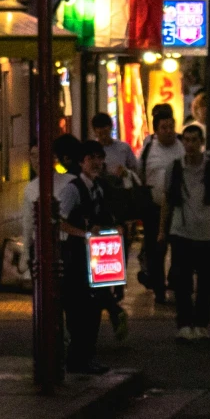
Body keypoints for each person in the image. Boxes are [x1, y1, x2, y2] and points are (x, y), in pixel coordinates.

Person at [47, 137, 111, 374]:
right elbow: (57, 222)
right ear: (81, 162)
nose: (96, 163)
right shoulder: (73, 189)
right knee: (78, 309)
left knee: (94, 308)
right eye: (90, 158)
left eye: (99, 158)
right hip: (75, 258)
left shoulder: (99, 188)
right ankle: (77, 359)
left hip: (96, 257)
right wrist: (84, 234)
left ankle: (87, 357)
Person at [167, 129, 210, 341]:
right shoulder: (174, 168)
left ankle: (201, 323)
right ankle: (184, 323)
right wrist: (162, 230)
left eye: (194, 140)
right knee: (182, 281)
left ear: (201, 142)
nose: (190, 144)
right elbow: (167, 200)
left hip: (207, 231)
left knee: (206, 282)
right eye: (187, 140)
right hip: (181, 231)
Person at [85, 114, 136, 341]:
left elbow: (136, 175)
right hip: (99, 232)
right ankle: (114, 312)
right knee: (98, 284)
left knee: (101, 281)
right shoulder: (83, 182)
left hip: (107, 231)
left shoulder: (122, 151)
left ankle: (113, 311)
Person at [138, 106, 187, 301]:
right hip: (155, 207)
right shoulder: (149, 148)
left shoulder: (183, 145)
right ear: (157, 131)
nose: (168, 131)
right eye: (164, 127)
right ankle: (159, 287)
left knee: (180, 248)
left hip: (179, 207)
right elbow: (140, 173)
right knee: (156, 249)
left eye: (171, 126)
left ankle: (175, 282)